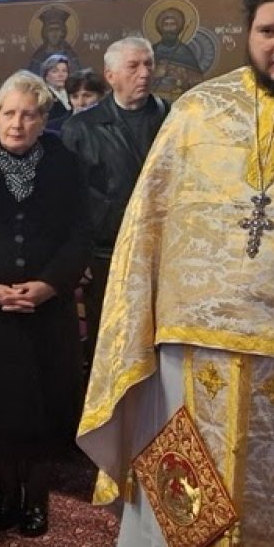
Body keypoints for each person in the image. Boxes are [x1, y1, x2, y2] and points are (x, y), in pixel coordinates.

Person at [78, 0, 274, 547]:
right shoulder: (199, 114)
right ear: (248, 32)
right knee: (187, 500)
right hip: (194, 357)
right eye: (268, 30)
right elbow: (146, 232)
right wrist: (134, 343)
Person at [0, 71, 92, 538]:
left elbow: (79, 236)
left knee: (46, 402)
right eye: (9, 112)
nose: (17, 123)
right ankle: (5, 492)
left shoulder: (65, 163)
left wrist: (49, 285)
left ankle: (37, 499)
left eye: (29, 114)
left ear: (44, 118)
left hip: (49, 309)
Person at [62, 37, 169, 364]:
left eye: (148, 64)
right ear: (111, 76)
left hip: (162, 252)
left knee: (158, 344)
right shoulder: (80, 128)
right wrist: (77, 257)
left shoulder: (172, 117)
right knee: (109, 345)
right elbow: (69, 200)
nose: (144, 73)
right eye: (134, 66)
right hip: (106, 253)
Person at [39, 53, 72, 123]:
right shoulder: (43, 97)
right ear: (46, 76)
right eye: (55, 71)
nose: (61, 75)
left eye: (64, 71)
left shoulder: (73, 94)